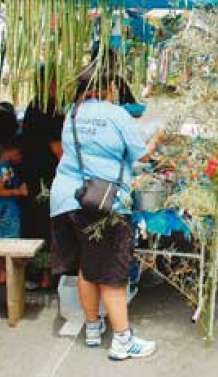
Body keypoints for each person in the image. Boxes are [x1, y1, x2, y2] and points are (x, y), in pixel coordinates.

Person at [50, 67, 159, 359]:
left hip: (67, 198)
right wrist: (157, 142)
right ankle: (123, 339)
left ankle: (93, 327)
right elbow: (142, 156)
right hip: (103, 202)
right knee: (111, 272)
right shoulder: (117, 115)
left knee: (88, 265)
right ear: (108, 86)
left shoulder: (71, 112)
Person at [20, 66, 64, 289]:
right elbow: (58, 150)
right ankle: (45, 276)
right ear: (49, 83)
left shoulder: (35, 105)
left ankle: (39, 274)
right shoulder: (49, 109)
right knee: (45, 225)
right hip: (44, 178)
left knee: (37, 223)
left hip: (34, 173)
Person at [0, 102, 29, 284]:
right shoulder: (5, 169)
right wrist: (19, 190)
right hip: (7, 213)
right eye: (18, 152)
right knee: (11, 248)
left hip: (7, 212)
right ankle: (8, 280)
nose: (21, 156)